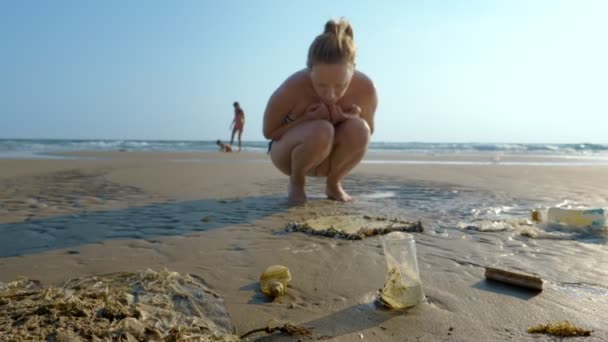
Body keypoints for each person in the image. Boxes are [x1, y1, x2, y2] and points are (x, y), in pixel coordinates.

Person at [263, 18, 378, 204]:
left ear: (353, 70)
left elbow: (368, 131)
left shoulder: (365, 88)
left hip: (332, 159)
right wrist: (305, 119)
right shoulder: (292, 87)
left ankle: (333, 183)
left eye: (340, 85)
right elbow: (269, 132)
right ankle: (297, 183)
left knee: (359, 128)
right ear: (310, 71)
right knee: (322, 129)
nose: (331, 95)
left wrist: (347, 117)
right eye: (321, 85)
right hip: (288, 156)